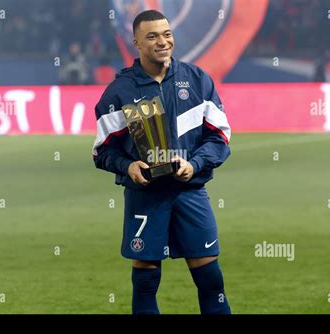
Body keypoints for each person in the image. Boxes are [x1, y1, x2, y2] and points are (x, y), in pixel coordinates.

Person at [92, 10, 231, 314]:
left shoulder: (197, 80)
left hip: (190, 193)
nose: (162, 41)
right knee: (145, 284)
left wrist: (194, 164)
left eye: (166, 34)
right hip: (146, 197)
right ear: (136, 43)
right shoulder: (119, 91)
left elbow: (220, 137)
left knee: (210, 280)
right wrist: (127, 166)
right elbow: (102, 151)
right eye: (152, 36)